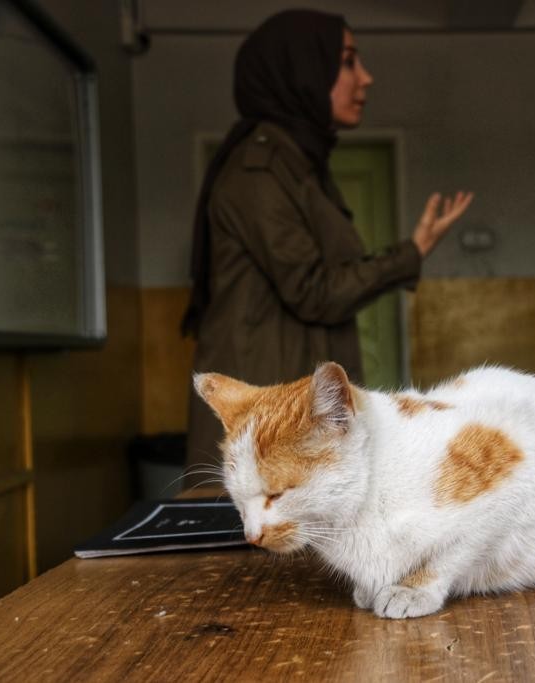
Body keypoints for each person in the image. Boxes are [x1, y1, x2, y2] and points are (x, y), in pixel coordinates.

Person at [181, 10, 473, 485]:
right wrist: (410, 253)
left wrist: (412, 251)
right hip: (265, 426)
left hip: (288, 418)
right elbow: (315, 290)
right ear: (303, 70)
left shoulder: (297, 164)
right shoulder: (261, 170)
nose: (366, 77)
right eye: (349, 61)